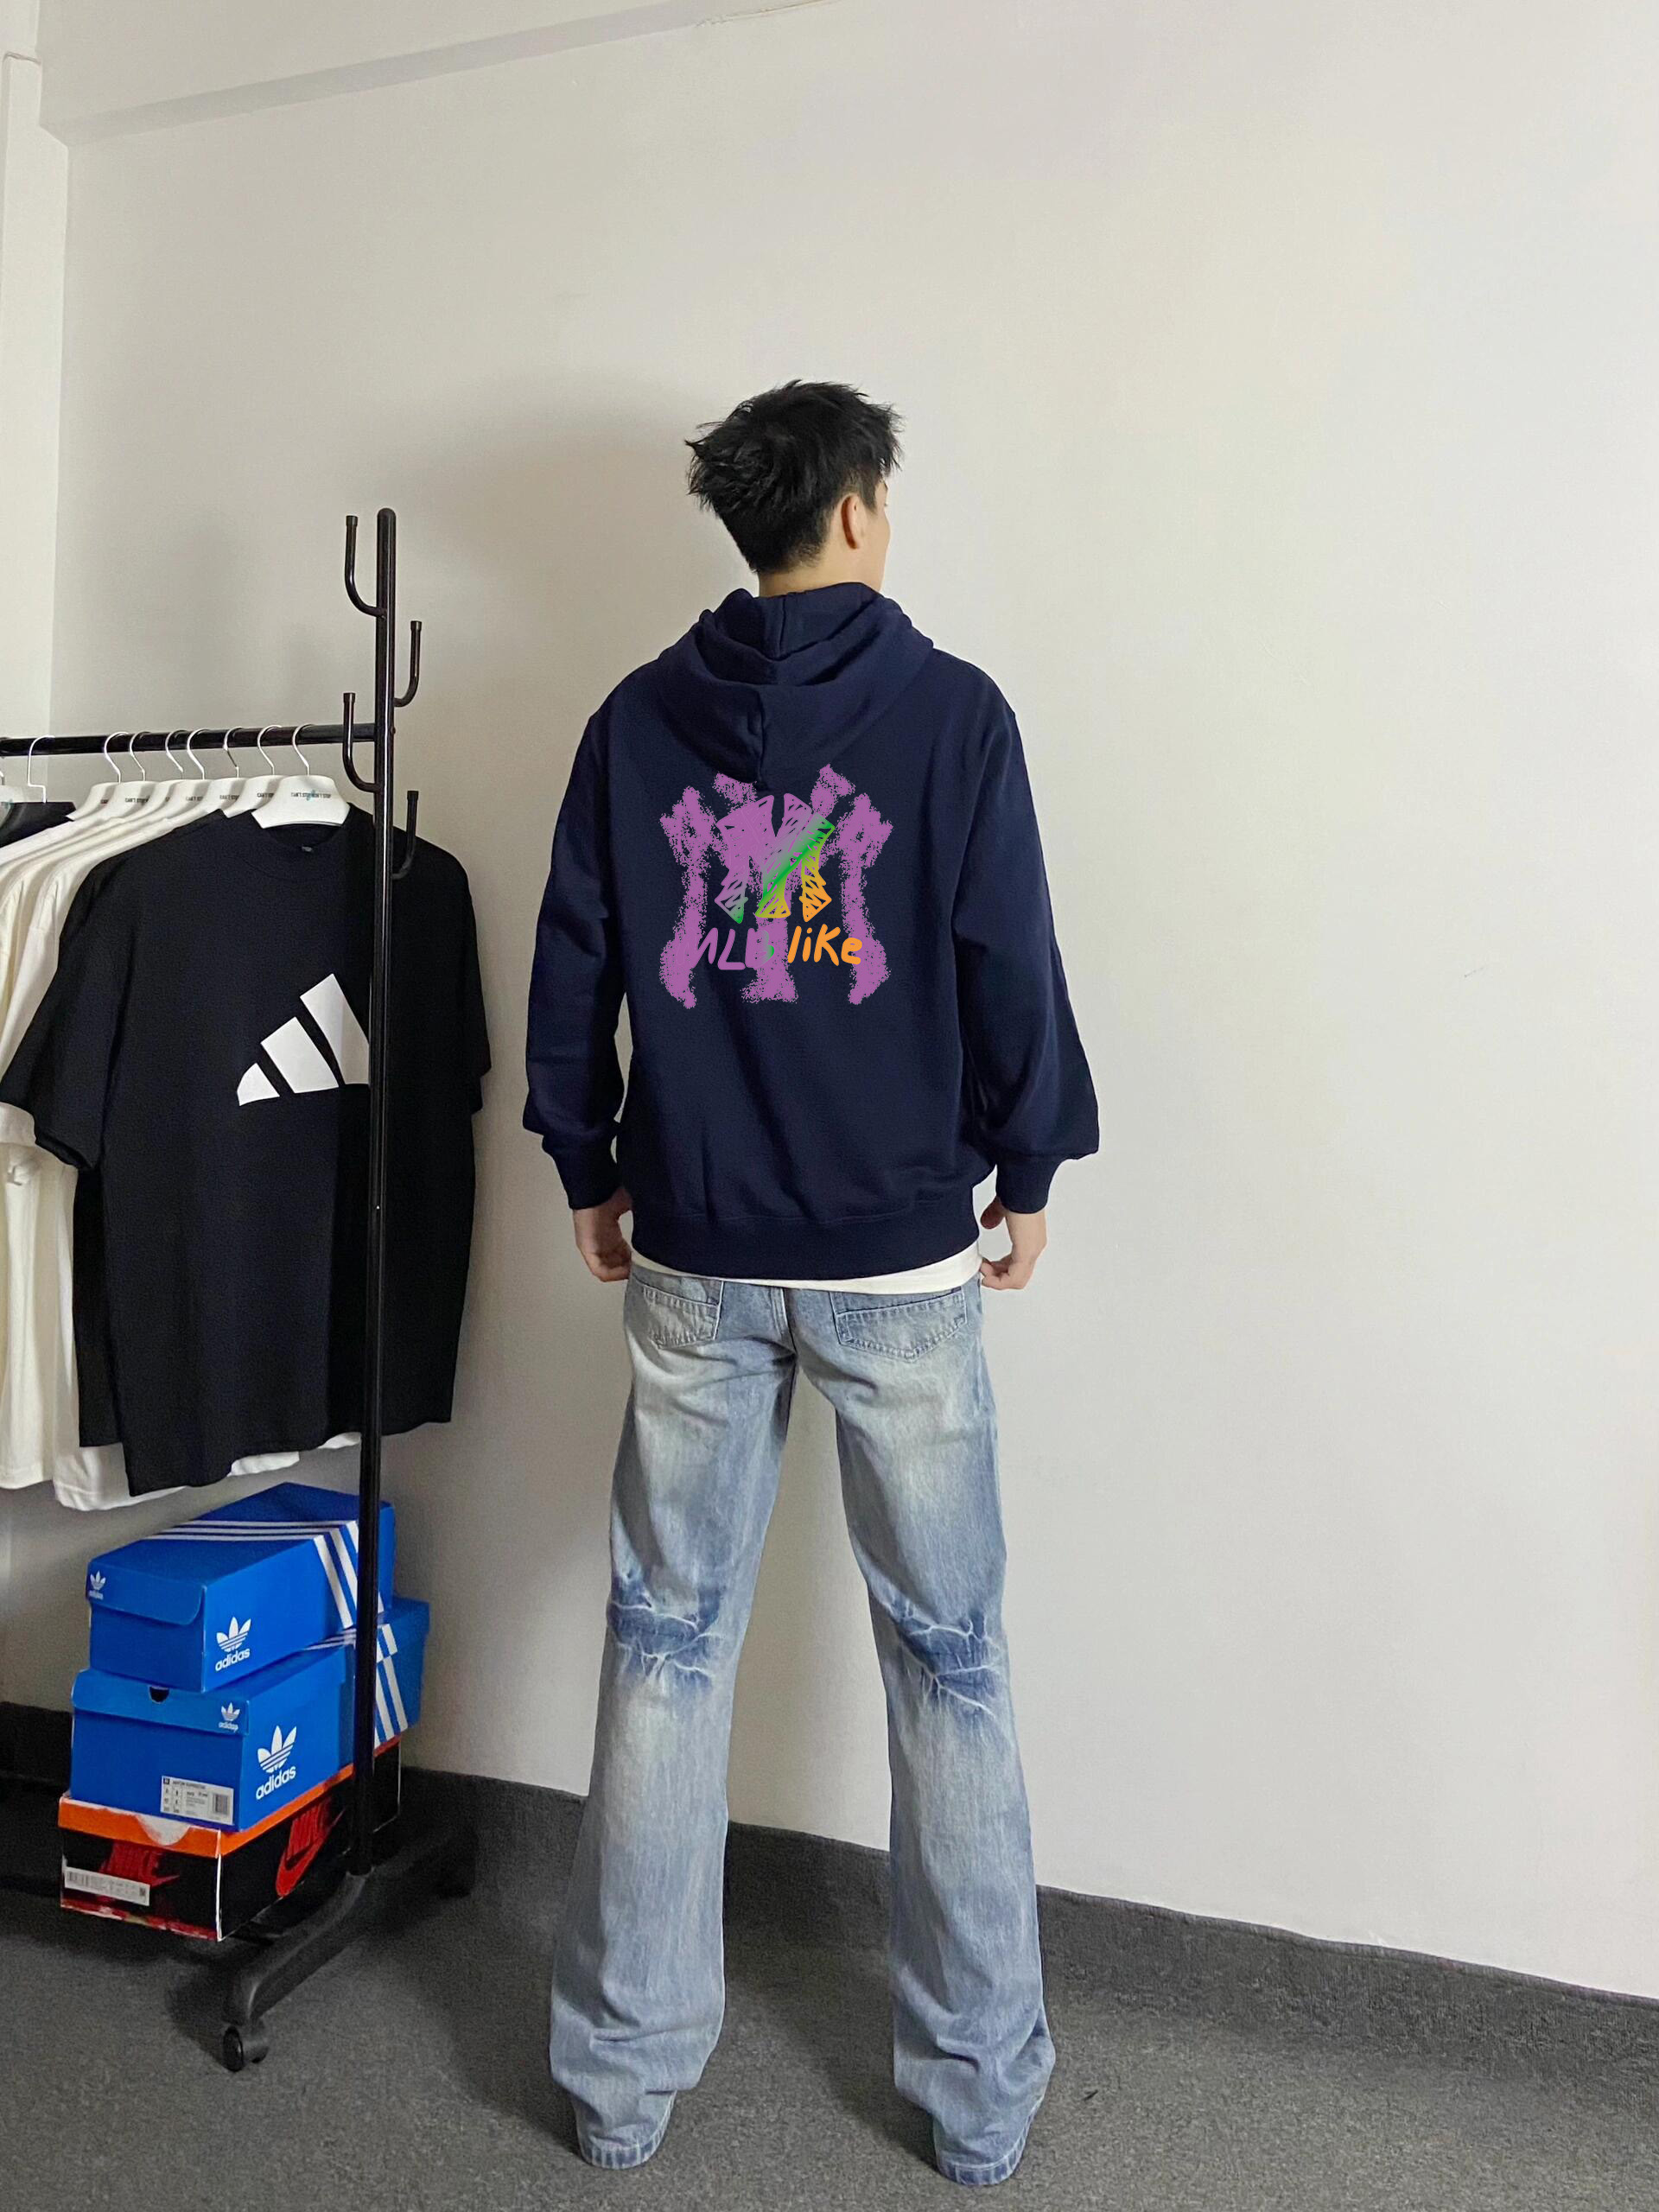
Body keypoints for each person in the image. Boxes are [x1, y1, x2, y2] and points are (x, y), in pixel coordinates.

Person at [524, 380, 1097, 2187]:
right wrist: (1030, 1166)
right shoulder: (954, 716)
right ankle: (978, 2096)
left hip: (697, 1244)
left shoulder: (636, 722)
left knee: (665, 1644)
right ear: (853, 510)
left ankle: (618, 2083)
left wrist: (589, 1161)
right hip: (900, 1256)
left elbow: (574, 958)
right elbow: (1007, 952)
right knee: (953, 1659)